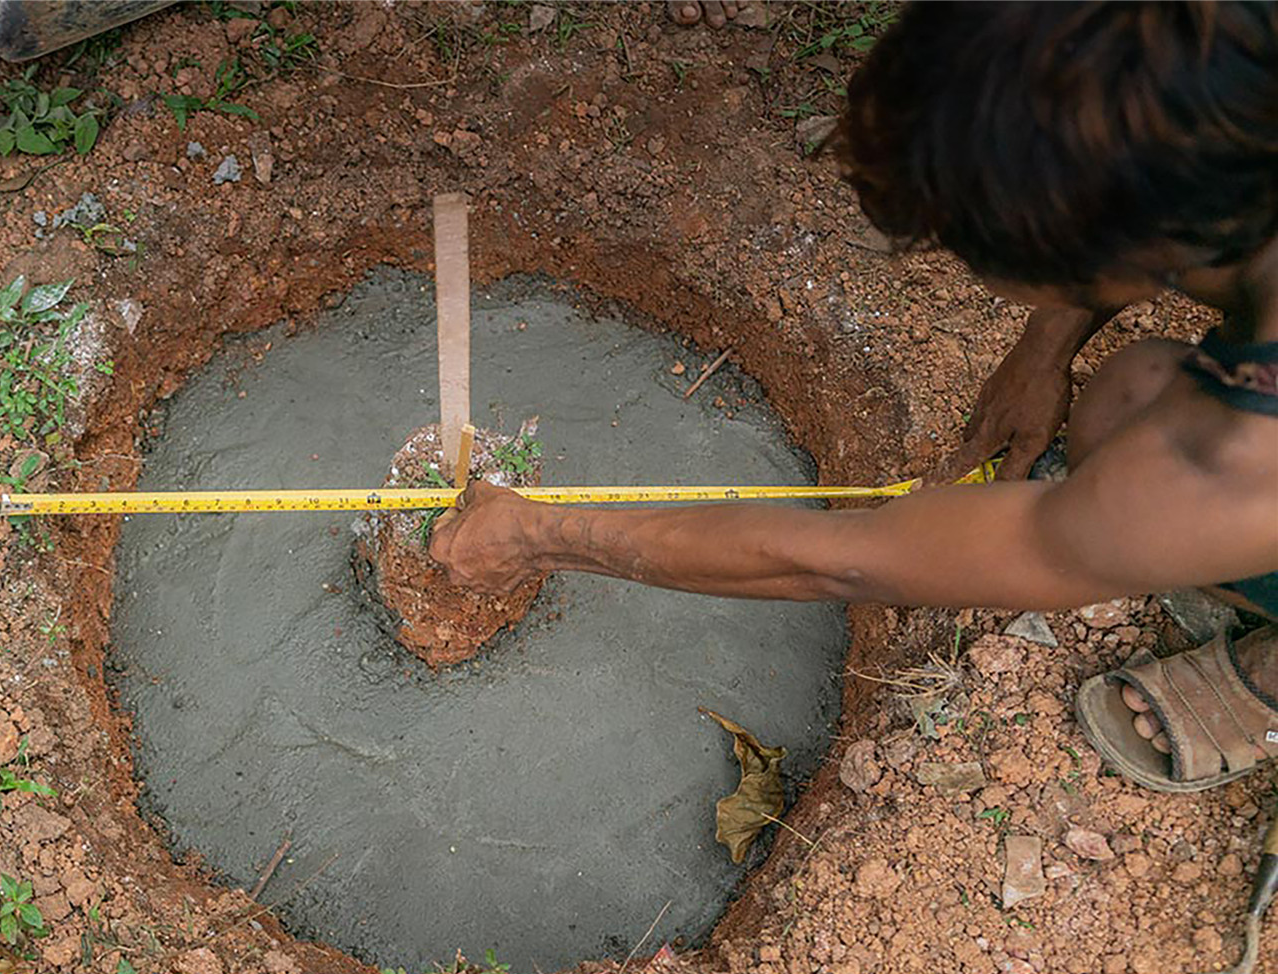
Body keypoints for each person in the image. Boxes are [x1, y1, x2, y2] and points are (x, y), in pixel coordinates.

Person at [430, 1, 1278, 793]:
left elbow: (841, 556)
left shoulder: (1227, 467)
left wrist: (538, 535)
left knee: (1140, 468)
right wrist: (1044, 348)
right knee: (1127, 401)